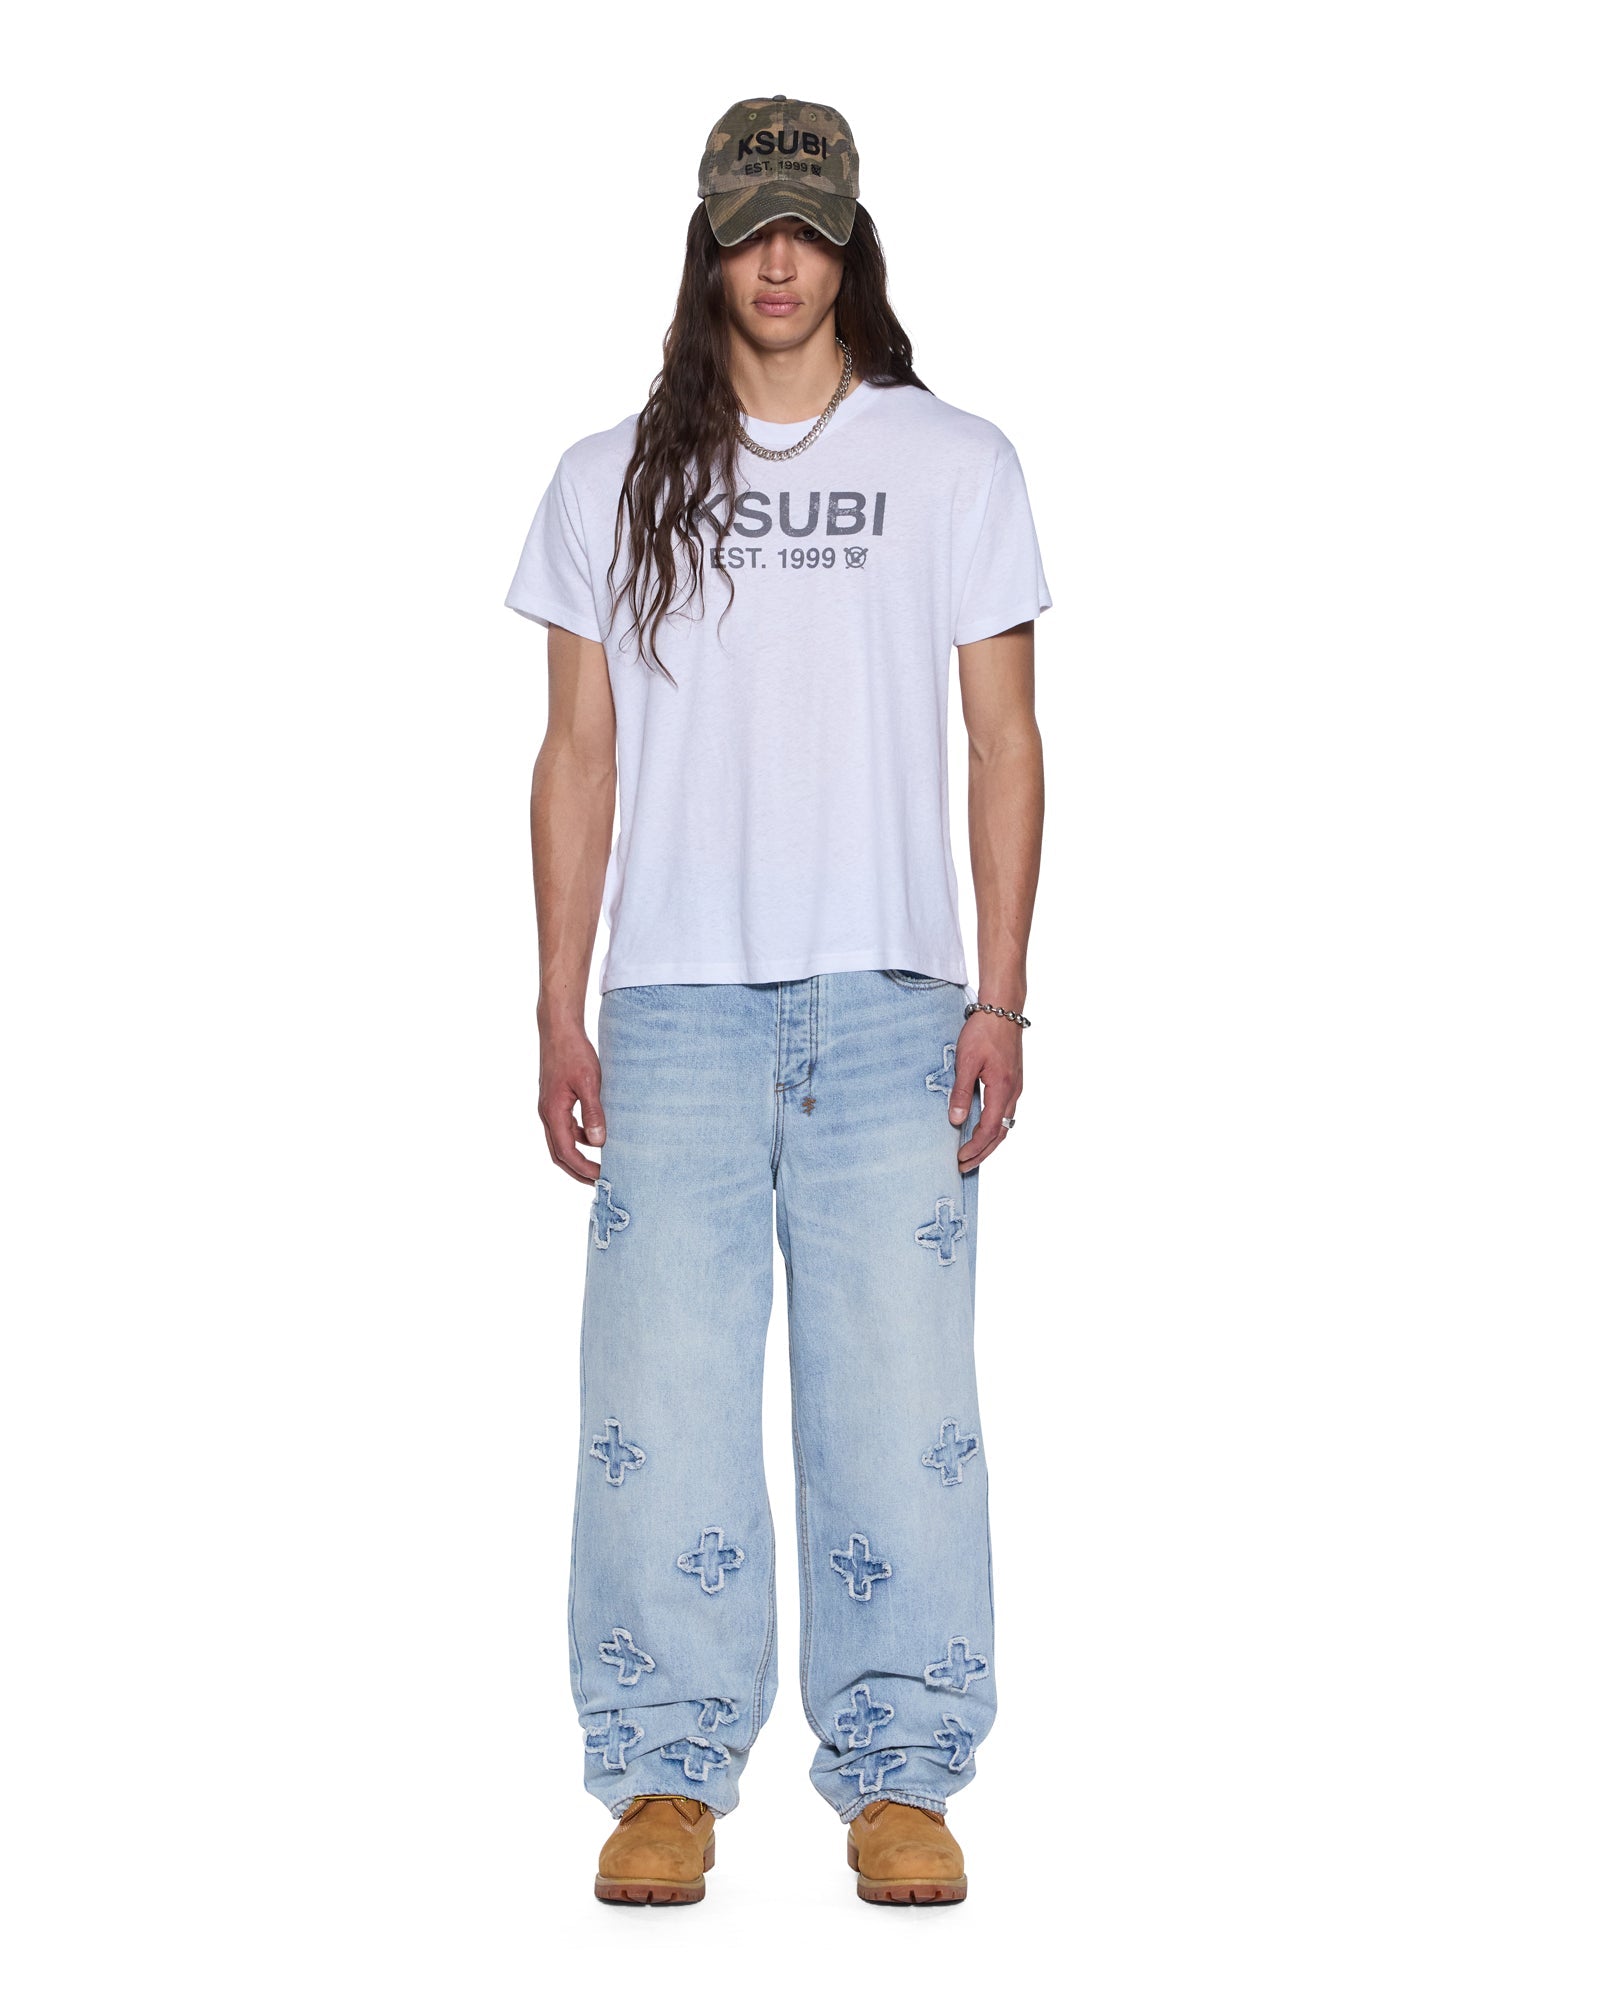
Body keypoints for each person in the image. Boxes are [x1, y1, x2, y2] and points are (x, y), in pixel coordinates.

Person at [504, 93, 1050, 1907]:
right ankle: (664, 1771)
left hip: (892, 997)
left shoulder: (955, 462)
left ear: (850, 240)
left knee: (899, 1396)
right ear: (710, 244)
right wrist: (558, 1007)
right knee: (656, 1393)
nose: (781, 258)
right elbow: (576, 758)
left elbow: (1004, 742)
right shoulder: (607, 479)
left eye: (808, 225)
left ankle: (902, 1773)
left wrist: (1003, 997)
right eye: (751, 227)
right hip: (674, 1003)